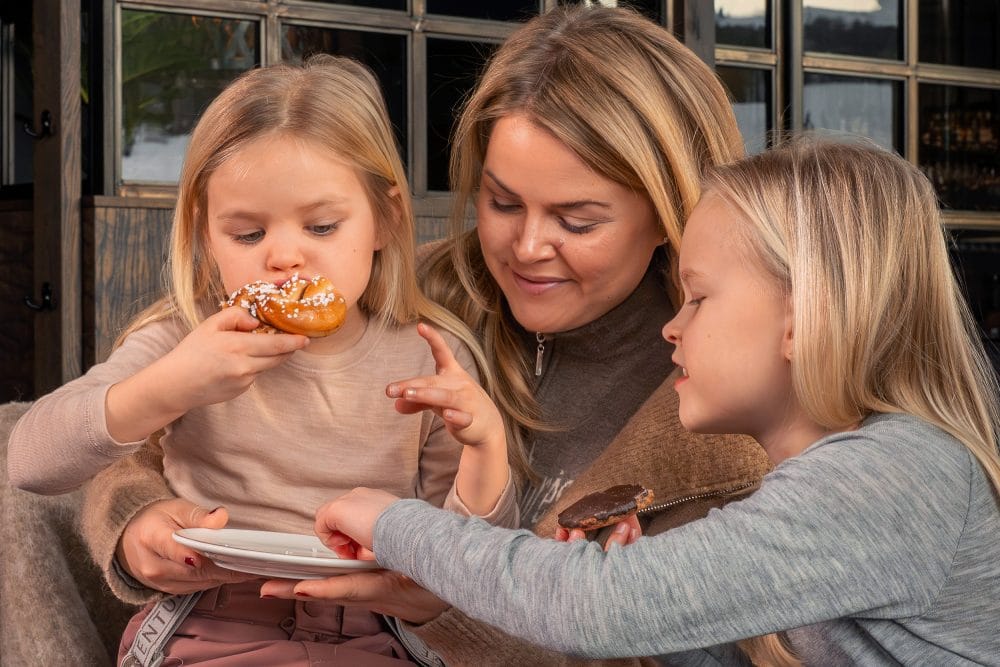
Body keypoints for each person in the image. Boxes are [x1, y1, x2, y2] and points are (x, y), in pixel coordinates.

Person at [78, 6, 773, 665]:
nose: (527, 246)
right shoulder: (408, 296)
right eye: (502, 201)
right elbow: (152, 429)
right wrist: (134, 514)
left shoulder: (729, 411)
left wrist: (444, 611)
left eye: (578, 220)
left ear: (670, 211)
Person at [303, 137, 1000, 666]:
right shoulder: (848, 475)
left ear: (802, 315)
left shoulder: (892, 475)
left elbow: (594, 605)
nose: (673, 323)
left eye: (698, 297)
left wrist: (396, 523)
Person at [7, 54, 518, 664]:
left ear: (386, 218)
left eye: (323, 226)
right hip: (207, 625)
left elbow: (464, 562)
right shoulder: (182, 338)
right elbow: (31, 461)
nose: (284, 258)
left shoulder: (430, 351)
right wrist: (170, 386)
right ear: (204, 234)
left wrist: (486, 446)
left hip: (376, 632)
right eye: (248, 235)